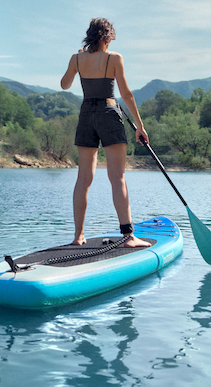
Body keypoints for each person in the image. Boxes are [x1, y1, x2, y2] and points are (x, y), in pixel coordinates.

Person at [59, 17, 150, 248]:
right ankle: (129, 237)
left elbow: (65, 85)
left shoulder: (76, 59)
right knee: (117, 178)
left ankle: (78, 236)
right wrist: (140, 126)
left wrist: (77, 61)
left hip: (86, 114)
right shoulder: (114, 58)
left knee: (83, 178)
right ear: (108, 37)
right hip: (109, 113)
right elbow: (127, 94)